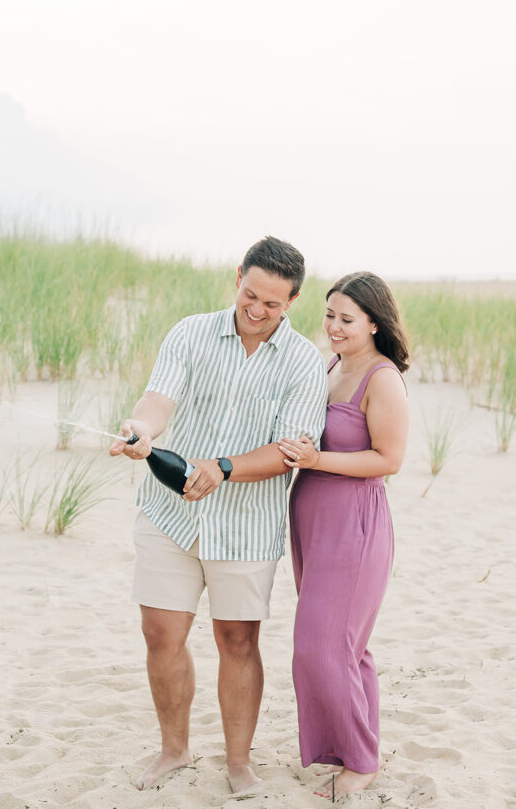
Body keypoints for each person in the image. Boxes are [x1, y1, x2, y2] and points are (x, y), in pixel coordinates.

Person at [109, 236, 327, 795]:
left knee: (237, 641)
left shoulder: (304, 361)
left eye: (272, 304)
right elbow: (159, 398)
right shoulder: (190, 331)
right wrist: (143, 430)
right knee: (160, 632)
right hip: (170, 514)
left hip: (247, 524)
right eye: (250, 295)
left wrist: (224, 467)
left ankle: (238, 763)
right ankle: (174, 751)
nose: (257, 311)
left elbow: (290, 450)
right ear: (237, 277)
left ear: (293, 301)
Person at [278, 271, 409, 800]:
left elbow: (390, 460)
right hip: (312, 520)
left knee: (320, 646)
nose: (334, 326)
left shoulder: (382, 378)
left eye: (347, 319)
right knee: (347, 648)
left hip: (354, 524)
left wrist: (316, 459)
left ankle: (360, 761)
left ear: (374, 322)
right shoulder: (330, 365)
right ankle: (363, 747)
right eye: (329, 315)